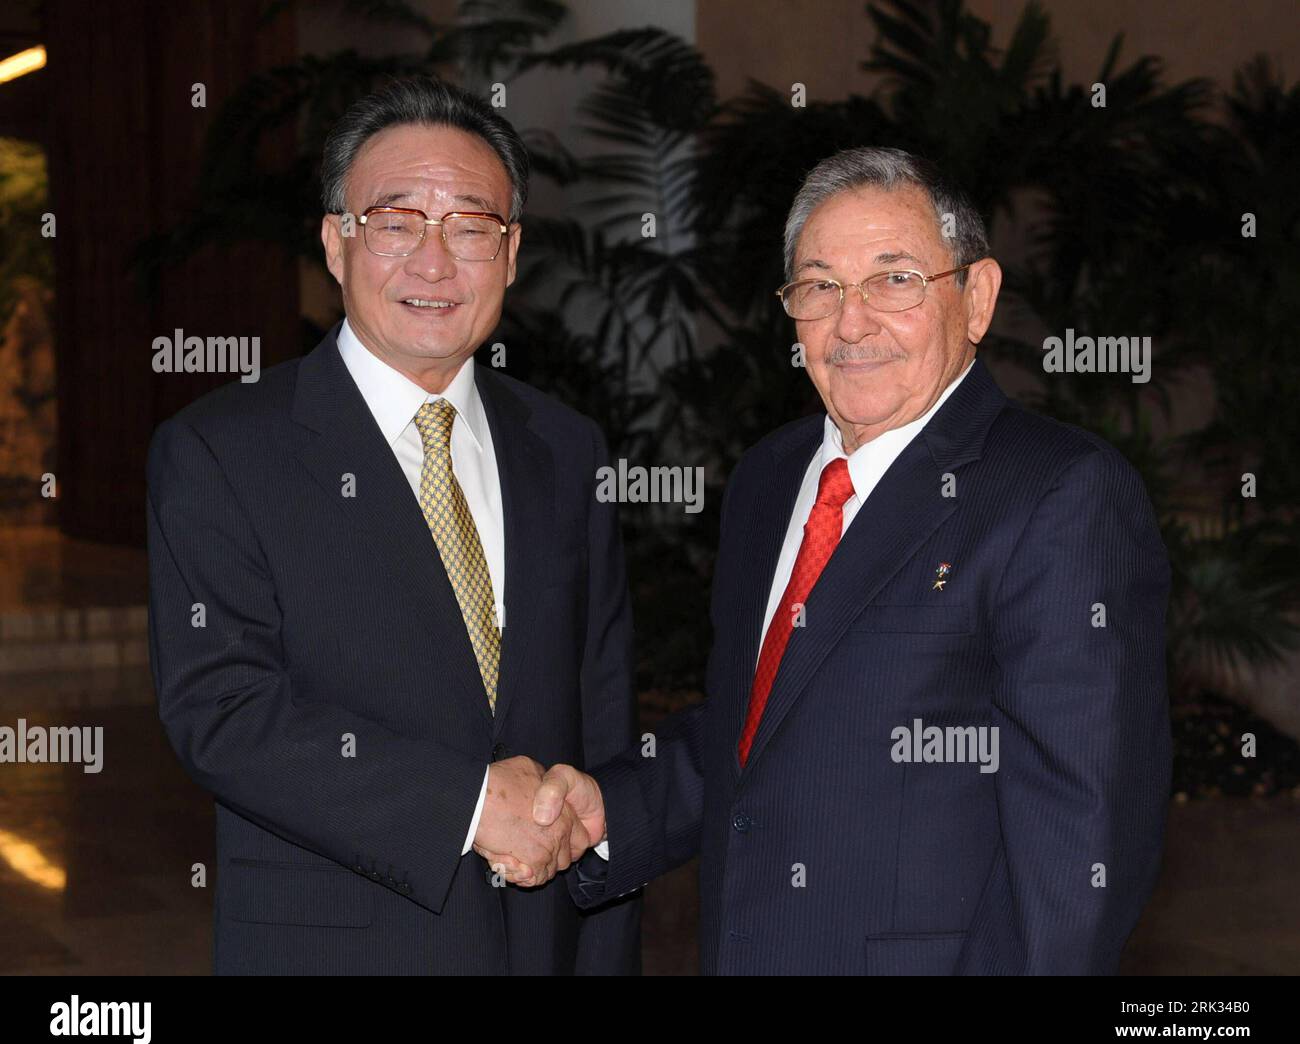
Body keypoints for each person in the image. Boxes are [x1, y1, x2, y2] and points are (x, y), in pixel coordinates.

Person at [483, 146, 1173, 976]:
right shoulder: (772, 479)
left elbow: (1082, 840)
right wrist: (608, 812)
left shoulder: (1058, 492)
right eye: (820, 286)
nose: (851, 323)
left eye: (894, 279)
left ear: (978, 297)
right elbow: (760, 724)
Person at [146, 75, 640, 974]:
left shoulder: (566, 449)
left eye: (470, 227)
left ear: (513, 250)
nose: (434, 260)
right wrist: (465, 805)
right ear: (336, 242)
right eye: (397, 221)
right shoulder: (222, 452)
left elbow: (600, 717)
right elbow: (223, 711)